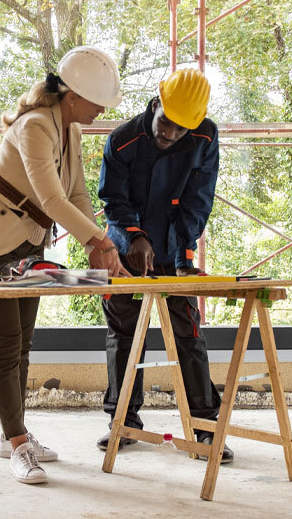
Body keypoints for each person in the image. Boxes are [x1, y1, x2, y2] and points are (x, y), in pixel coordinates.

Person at [0, 46, 129, 484]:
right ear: (73, 96)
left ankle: (11, 435)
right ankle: (17, 445)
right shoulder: (35, 127)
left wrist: (101, 246)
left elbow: (75, 197)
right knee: (5, 342)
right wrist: (100, 243)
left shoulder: (69, 128)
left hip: (28, 242)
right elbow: (52, 199)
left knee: (23, 343)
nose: (101, 112)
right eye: (97, 103)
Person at [95, 67, 233, 464]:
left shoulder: (205, 136)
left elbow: (198, 200)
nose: (170, 135)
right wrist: (136, 237)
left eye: (180, 131)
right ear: (156, 103)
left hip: (175, 249)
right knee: (124, 335)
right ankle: (123, 422)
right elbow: (113, 201)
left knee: (187, 334)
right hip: (125, 250)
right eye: (166, 124)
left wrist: (183, 256)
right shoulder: (122, 141)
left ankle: (207, 429)